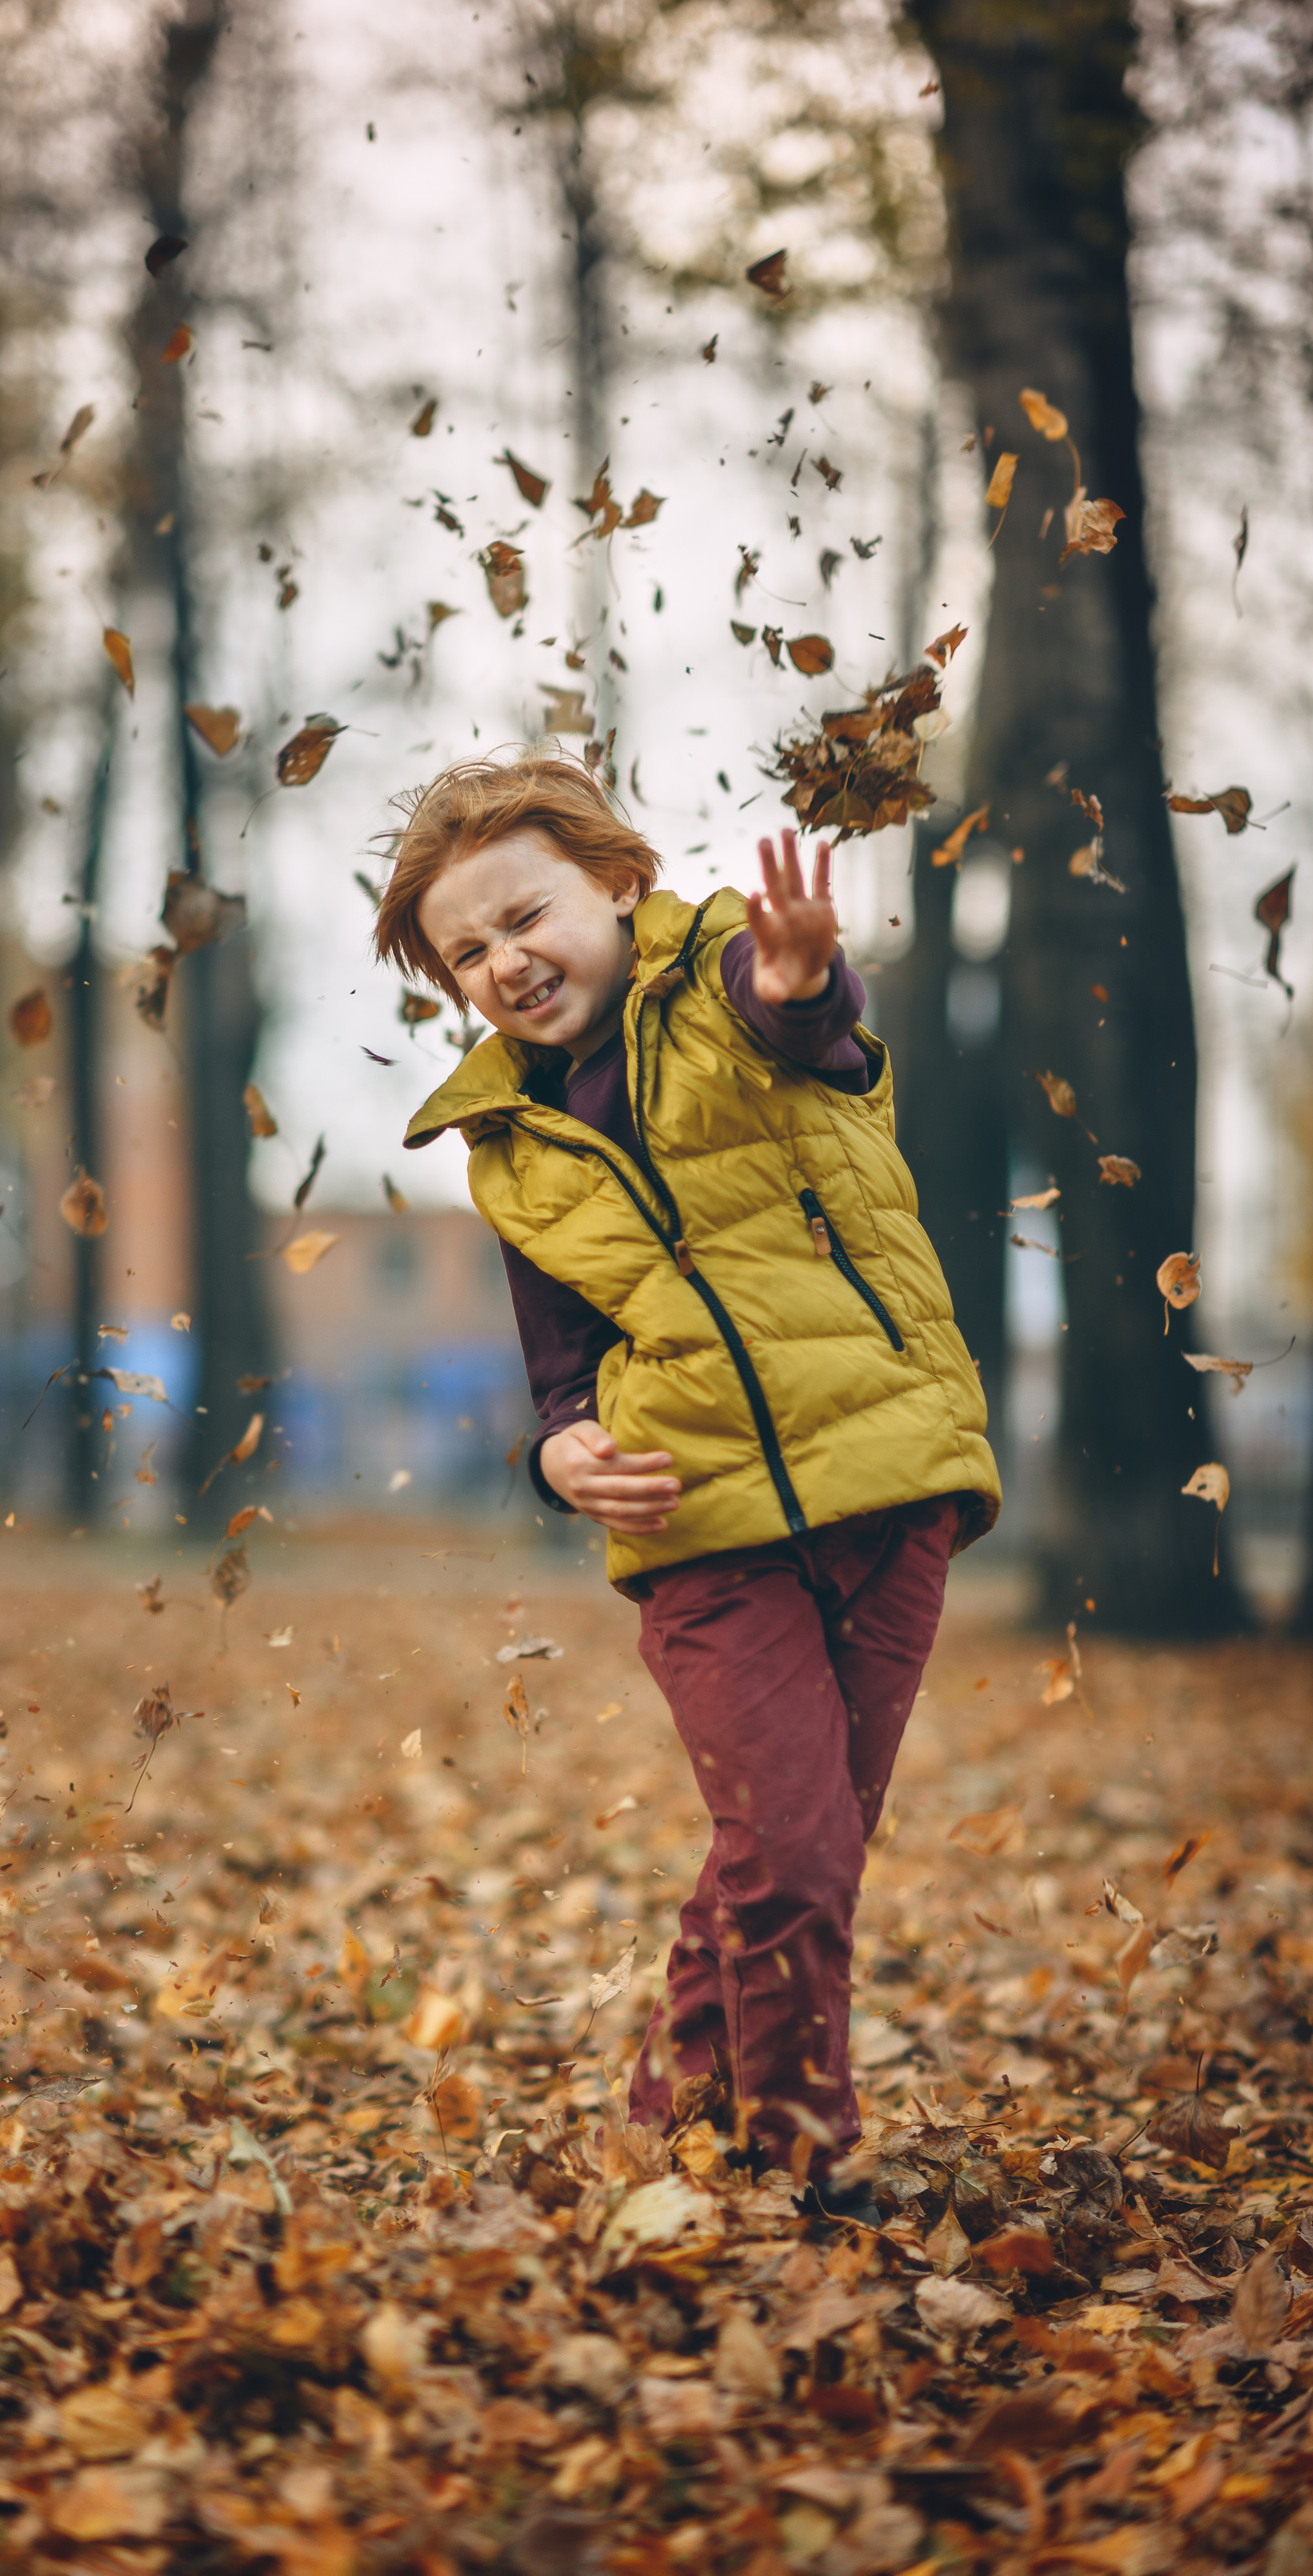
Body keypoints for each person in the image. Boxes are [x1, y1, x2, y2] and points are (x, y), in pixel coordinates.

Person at [375, 750, 999, 2210]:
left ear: (615, 881)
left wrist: (797, 981)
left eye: (525, 917)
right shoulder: (507, 1150)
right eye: (466, 952)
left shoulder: (726, 984)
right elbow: (558, 1364)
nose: (505, 962)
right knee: (786, 1842)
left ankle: (680, 2128)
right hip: (695, 1522)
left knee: (798, 1850)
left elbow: (811, 1037)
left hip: (887, 1476)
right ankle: (789, 2165)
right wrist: (558, 1447)